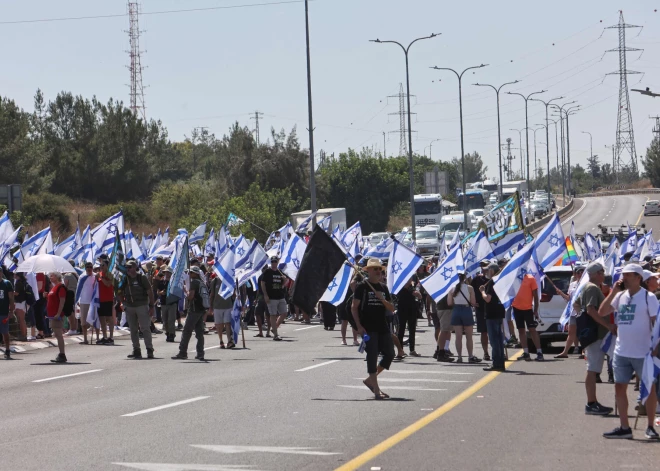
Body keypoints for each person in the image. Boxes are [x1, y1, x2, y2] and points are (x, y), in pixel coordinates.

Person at [599, 263, 659, 439]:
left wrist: (656, 349)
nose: (623, 278)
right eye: (623, 275)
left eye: (627, 275)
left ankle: (650, 427)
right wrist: (613, 292)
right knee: (619, 387)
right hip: (622, 351)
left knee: (649, 389)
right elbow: (602, 312)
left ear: (638, 277)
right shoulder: (620, 296)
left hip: (644, 352)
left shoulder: (649, 298)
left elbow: (657, 324)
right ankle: (624, 427)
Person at [572, 261, 615, 416]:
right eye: (602, 272)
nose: (603, 274)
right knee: (592, 369)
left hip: (595, 332)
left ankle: (593, 402)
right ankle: (591, 403)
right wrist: (606, 325)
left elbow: (576, 305)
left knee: (594, 368)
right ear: (597, 273)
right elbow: (590, 309)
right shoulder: (591, 288)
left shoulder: (588, 288)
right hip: (595, 334)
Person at [352, 258, 396, 400]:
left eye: (379, 269)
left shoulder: (383, 288)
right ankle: (376, 390)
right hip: (368, 327)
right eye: (375, 269)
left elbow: (392, 308)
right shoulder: (362, 286)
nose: (378, 271)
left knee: (389, 354)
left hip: (382, 325)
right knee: (372, 356)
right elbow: (354, 307)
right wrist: (358, 326)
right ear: (368, 271)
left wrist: (382, 299)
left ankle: (370, 379)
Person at [173, 266, 207, 360]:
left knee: (187, 331)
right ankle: (200, 353)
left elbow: (191, 296)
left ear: (195, 273)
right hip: (201, 310)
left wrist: (186, 292)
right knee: (199, 333)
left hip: (194, 309)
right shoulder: (202, 282)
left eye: (191, 273)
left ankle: (182, 352)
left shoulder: (194, 282)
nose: (189, 274)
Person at [123, 260, 156, 359]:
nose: (128, 269)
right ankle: (136, 349)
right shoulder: (125, 279)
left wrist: (151, 306)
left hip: (141, 305)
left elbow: (149, 291)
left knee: (145, 328)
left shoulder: (141, 277)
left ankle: (149, 349)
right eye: (127, 267)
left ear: (135, 267)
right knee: (133, 329)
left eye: (130, 267)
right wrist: (123, 303)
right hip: (130, 306)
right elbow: (119, 291)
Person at [448, 273, 481, 363]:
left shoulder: (451, 288)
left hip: (456, 310)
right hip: (466, 310)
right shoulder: (469, 288)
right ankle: (470, 356)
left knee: (458, 337)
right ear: (464, 278)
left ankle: (459, 357)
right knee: (469, 336)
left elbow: (449, 303)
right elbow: (473, 302)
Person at [554, 264, 586, 358]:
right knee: (571, 333)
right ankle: (565, 352)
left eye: (581, 272)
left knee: (583, 332)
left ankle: (584, 351)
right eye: (578, 272)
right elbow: (569, 298)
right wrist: (561, 293)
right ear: (575, 274)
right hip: (573, 312)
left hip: (582, 311)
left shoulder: (586, 284)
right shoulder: (572, 284)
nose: (580, 274)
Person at [480, 262, 506, 371]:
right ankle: (501, 362)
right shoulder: (501, 281)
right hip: (499, 312)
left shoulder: (492, 283)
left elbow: (487, 298)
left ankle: (496, 363)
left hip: (492, 314)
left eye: (488, 270)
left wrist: (482, 292)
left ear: (492, 271)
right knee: (499, 339)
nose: (486, 272)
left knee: (494, 339)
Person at [512, 269, 543, 361]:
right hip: (516, 308)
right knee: (521, 330)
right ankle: (526, 352)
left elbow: (535, 296)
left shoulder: (530, 278)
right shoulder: (514, 279)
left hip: (528, 309)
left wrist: (536, 310)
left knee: (532, 330)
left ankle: (539, 352)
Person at [261, 256, 287, 341]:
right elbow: (262, 283)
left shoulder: (280, 272)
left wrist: (284, 281)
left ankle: (274, 327)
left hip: (280, 296)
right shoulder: (267, 271)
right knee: (273, 315)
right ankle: (275, 334)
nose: (274, 263)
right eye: (272, 262)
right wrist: (265, 295)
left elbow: (284, 284)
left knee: (284, 313)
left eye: (275, 262)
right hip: (271, 297)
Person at [396, 278, 422, 357]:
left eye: (411, 278)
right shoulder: (400, 287)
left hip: (412, 310)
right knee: (401, 330)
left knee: (412, 330)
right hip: (402, 310)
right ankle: (400, 350)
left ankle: (412, 350)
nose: (410, 280)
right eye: (409, 278)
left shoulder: (413, 286)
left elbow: (420, 297)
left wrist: (418, 294)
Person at [46, 272, 67, 363]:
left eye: (52, 276)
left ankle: (62, 354)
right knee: (57, 335)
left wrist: (58, 313)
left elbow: (62, 301)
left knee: (59, 335)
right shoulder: (54, 287)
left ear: (57, 277)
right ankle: (61, 354)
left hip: (56, 316)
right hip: (52, 315)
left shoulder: (60, 287)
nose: (50, 277)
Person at [471, 261, 491, 361]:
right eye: (483, 266)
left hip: (493, 309)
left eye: (487, 266)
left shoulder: (494, 278)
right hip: (481, 309)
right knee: (484, 332)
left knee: (495, 332)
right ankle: (486, 352)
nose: (485, 268)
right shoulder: (477, 279)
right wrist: (473, 303)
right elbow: (470, 290)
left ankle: (498, 351)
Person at [209, 274, 234, 349]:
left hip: (228, 306)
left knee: (227, 323)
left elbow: (233, 293)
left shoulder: (229, 280)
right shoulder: (215, 281)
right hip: (217, 306)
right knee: (219, 325)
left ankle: (229, 340)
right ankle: (221, 341)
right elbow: (212, 294)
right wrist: (210, 306)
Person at [339, 268, 361, 346]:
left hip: (351, 300)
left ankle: (354, 339)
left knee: (353, 320)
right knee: (345, 321)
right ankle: (344, 339)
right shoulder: (343, 278)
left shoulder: (356, 278)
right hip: (344, 301)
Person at [75, 263, 96, 345]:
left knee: (94, 321)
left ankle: (97, 338)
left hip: (93, 302)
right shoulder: (82, 277)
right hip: (84, 301)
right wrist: (78, 300)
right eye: (87, 267)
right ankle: (85, 339)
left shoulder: (95, 276)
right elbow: (78, 289)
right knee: (83, 322)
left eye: (90, 267)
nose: (89, 268)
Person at [96, 259, 115, 345]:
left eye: (103, 265)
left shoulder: (109, 274)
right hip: (100, 299)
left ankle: (111, 337)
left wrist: (102, 278)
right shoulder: (98, 274)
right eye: (100, 265)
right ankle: (104, 336)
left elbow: (108, 284)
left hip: (108, 299)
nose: (101, 267)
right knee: (101, 318)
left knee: (109, 318)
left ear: (107, 266)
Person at [158, 266, 179, 342]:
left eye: (169, 272)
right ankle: (167, 333)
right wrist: (161, 293)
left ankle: (172, 334)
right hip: (164, 303)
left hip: (172, 303)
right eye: (166, 272)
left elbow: (177, 292)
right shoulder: (161, 282)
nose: (167, 274)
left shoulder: (174, 282)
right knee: (165, 320)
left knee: (171, 320)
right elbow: (158, 292)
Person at [434, 293, 455, 363]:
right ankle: (441, 353)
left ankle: (442, 350)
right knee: (444, 330)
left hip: (443, 308)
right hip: (445, 308)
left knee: (447, 331)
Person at [1, 269, 15, 359]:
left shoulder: (7, 283)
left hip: (3, 312)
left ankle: (7, 350)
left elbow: (11, 298)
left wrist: (11, 311)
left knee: (5, 332)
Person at [63, 266, 78, 336]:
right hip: (75, 294)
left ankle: (72, 328)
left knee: (69, 312)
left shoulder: (67, 275)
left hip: (69, 294)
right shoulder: (75, 275)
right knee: (74, 312)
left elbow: (65, 285)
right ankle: (75, 328)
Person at [12, 273, 28, 341]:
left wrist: (10, 292)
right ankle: (23, 335)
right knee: (22, 319)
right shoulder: (23, 281)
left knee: (21, 320)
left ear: (17, 275)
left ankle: (23, 335)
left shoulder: (18, 282)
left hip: (20, 302)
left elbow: (17, 293)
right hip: (23, 302)